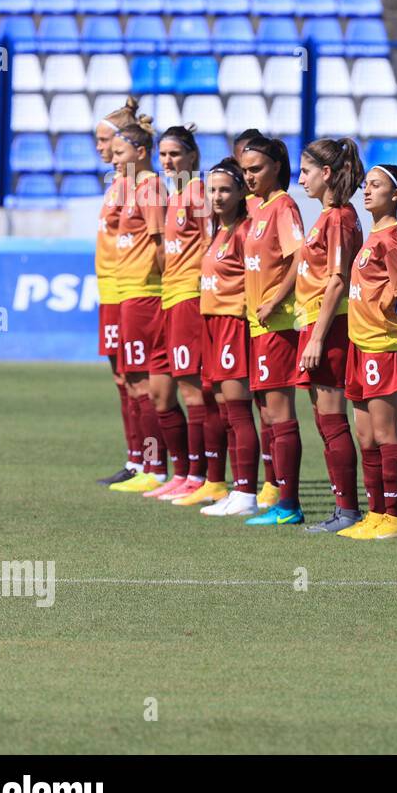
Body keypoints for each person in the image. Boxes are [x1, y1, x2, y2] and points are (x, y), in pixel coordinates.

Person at [336, 164, 397, 540]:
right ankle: (374, 513)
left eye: (376, 186)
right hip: (360, 345)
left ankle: (393, 519)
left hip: (382, 347)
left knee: (385, 433)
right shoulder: (373, 236)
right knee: (366, 436)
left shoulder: (392, 238)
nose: (366, 191)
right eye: (366, 185)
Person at [149, 125, 226, 505]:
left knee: (197, 391)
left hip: (191, 298)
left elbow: (214, 243)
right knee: (177, 388)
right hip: (171, 297)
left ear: (193, 157)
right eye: (163, 155)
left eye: (175, 154)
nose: (167, 161)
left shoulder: (198, 194)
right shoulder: (176, 196)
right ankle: (186, 472)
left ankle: (203, 476)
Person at [295, 138, 366, 534]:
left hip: (331, 325)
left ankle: (347, 510)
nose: (300, 178)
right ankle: (344, 508)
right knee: (325, 419)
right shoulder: (327, 216)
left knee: (332, 418)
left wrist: (318, 338)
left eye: (306, 171)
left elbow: (338, 281)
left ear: (326, 174)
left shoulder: (339, 217)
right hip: (317, 322)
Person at [239, 134, 305, 525]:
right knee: (266, 411)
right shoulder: (259, 207)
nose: (249, 176)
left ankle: (289, 504)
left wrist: (278, 299)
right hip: (257, 324)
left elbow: (300, 258)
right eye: (245, 170)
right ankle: (278, 494)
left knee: (280, 413)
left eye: (256, 169)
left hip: (278, 324)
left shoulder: (284, 207)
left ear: (277, 167)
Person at [107, 112, 172, 495]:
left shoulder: (150, 188)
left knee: (143, 381)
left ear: (140, 152)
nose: (114, 160)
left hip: (147, 293)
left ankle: (156, 466)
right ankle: (148, 464)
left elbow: (162, 245)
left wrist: (164, 287)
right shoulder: (135, 187)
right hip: (131, 291)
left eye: (119, 152)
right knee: (133, 380)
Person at [198, 159, 261, 517]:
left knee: (238, 410)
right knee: (224, 409)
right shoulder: (218, 230)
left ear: (241, 192)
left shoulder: (244, 231)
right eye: (212, 189)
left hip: (232, 324)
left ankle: (247, 492)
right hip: (212, 324)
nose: (217, 196)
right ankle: (237, 489)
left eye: (225, 189)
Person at [94, 99, 143, 486]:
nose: (99, 147)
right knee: (121, 378)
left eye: (103, 139)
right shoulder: (117, 182)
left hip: (129, 288)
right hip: (111, 287)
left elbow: (185, 194)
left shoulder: (144, 184)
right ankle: (136, 459)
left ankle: (148, 463)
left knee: (135, 378)